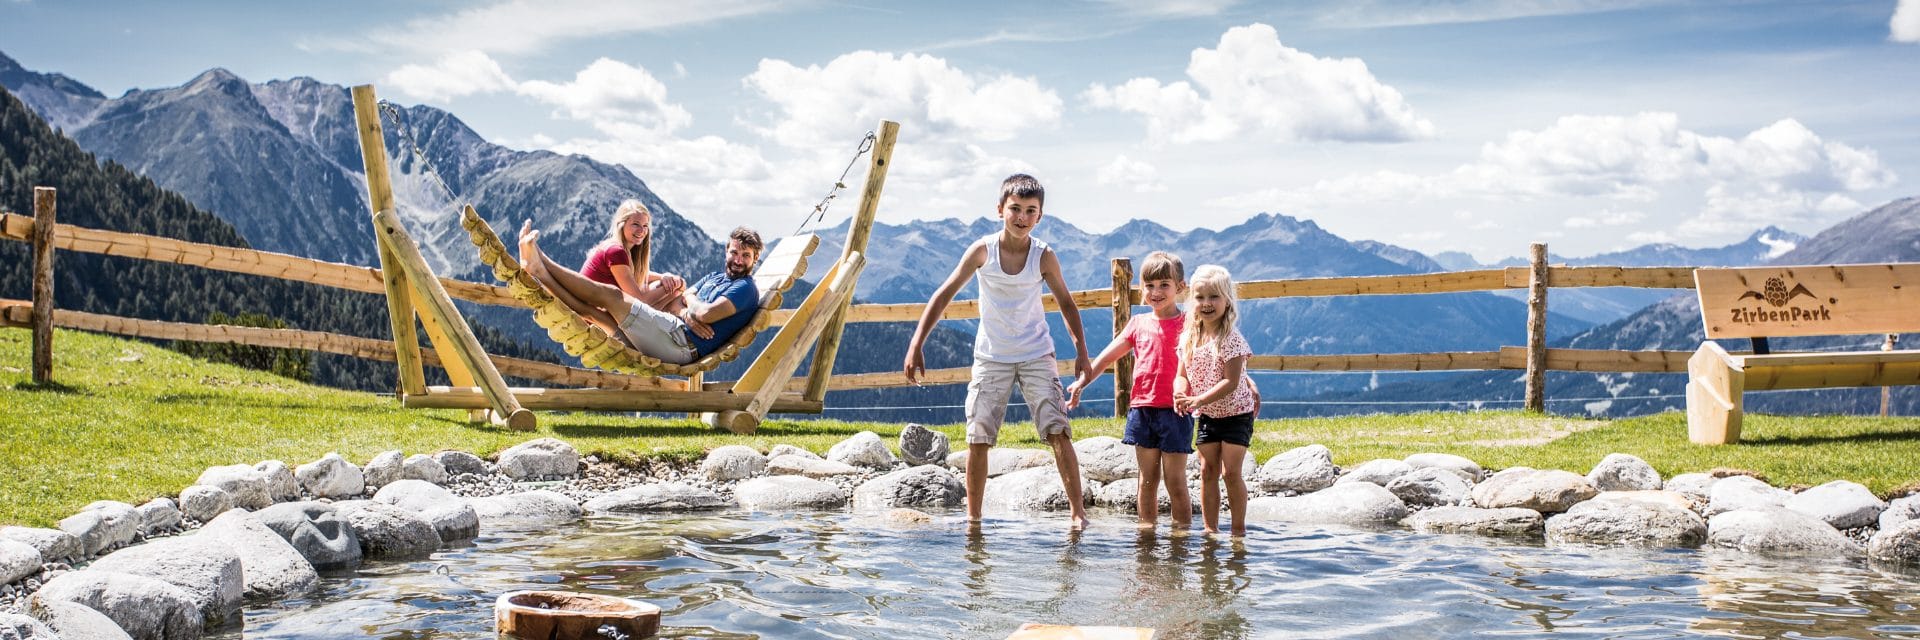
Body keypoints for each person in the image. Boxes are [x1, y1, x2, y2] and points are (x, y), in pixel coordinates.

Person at [903, 173, 1094, 529]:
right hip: (991, 356)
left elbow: (1067, 304)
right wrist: (917, 342)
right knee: (978, 435)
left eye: (1030, 211)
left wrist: (1082, 353)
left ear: (1040, 216)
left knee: (1058, 429)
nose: (1022, 217)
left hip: (1037, 353)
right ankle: (973, 519)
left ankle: (1078, 515)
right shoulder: (982, 251)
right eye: (1015, 209)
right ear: (1000, 209)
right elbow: (943, 294)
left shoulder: (1044, 256)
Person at [1066, 251, 1193, 530]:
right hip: (1142, 410)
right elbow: (1106, 358)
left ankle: (1181, 539)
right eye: (1149, 286)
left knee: (1175, 482)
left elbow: (1213, 358)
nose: (1155, 292)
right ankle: (1145, 537)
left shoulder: (1190, 325)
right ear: (1141, 289)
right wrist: (1081, 383)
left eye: (1164, 285)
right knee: (1146, 480)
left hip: (1176, 412)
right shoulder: (1138, 324)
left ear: (1180, 287)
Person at [520, 221, 763, 365]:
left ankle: (542, 260)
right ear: (726, 251)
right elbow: (677, 302)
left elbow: (706, 314)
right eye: (734, 253)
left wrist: (691, 307)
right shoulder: (716, 277)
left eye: (746, 256)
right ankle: (539, 272)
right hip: (669, 332)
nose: (738, 260)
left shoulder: (745, 288)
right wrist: (689, 312)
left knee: (612, 296)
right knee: (592, 314)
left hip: (679, 344)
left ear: (755, 259)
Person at [1174, 265, 1257, 537]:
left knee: (1230, 472)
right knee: (1207, 470)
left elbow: (1230, 382)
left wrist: (1197, 399)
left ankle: (1238, 530)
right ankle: (1210, 529)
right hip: (1208, 414)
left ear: (1227, 301)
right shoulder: (1189, 338)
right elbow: (1181, 375)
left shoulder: (1231, 339)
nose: (1207, 303)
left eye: (1214, 297)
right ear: (1191, 301)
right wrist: (1180, 392)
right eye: (1200, 297)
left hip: (1236, 414)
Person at [579, 199, 687, 313]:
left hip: (598, 312)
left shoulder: (620, 248)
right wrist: (673, 285)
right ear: (621, 224)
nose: (641, 230)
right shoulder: (615, 251)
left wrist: (664, 277)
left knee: (671, 290)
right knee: (673, 291)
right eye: (635, 224)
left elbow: (635, 273)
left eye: (645, 226)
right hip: (590, 320)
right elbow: (638, 302)